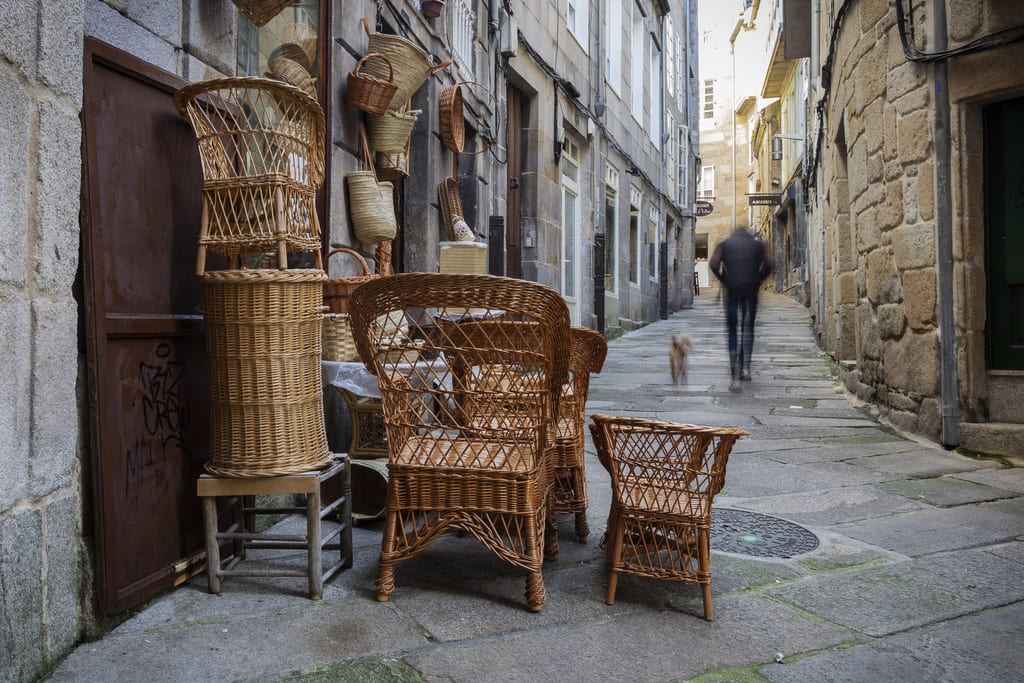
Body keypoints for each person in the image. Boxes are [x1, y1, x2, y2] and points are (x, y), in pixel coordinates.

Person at [708, 227, 773, 387]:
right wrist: (759, 278)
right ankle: (745, 367)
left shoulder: (725, 244)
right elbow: (770, 263)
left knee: (732, 328)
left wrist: (724, 279)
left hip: (731, 290)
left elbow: (714, 263)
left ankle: (733, 361)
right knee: (748, 328)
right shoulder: (757, 246)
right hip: (751, 290)